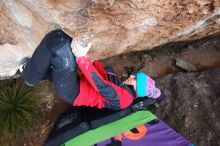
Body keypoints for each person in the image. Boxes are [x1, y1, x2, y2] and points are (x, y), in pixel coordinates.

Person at [19, 30, 162, 110]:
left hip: (73, 92)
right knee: (59, 61)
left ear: (139, 89)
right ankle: (34, 72)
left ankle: (30, 77)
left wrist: (82, 58)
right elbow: (100, 71)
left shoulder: (125, 99)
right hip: (77, 83)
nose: (132, 76)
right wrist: (86, 55)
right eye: (135, 75)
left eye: (136, 78)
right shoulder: (121, 84)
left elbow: (101, 86)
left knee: (58, 42)